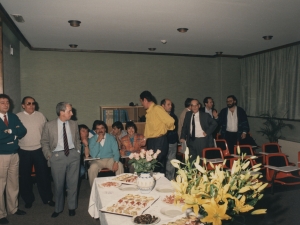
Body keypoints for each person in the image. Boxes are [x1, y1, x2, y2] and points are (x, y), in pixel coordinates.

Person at [41, 102, 81, 218]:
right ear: (62, 112)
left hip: (73, 155)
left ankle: (72, 207)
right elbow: (44, 142)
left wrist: (78, 152)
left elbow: (77, 140)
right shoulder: (49, 125)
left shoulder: (74, 124)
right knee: (59, 185)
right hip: (57, 157)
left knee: (73, 184)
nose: (72, 113)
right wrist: (49, 155)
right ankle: (58, 208)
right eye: (69, 111)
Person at [17, 96, 54, 209]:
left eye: (33, 103)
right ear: (23, 105)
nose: (31, 105)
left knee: (43, 176)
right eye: (28, 103)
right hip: (23, 150)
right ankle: (28, 199)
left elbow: (46, 132)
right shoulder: (17, 117)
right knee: (25, 177)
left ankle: (47, 198)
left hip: (39, 149)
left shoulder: (40, 115)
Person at [0, 94, 27, 224]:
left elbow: (22, 131)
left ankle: (13, 208)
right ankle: (1, 214)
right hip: (1, 156)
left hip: (14, 155)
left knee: (13, 183)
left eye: (7, 102)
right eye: (2, 102)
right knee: (0, 185)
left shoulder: (13, 117)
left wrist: (9, 132)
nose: (6, 104)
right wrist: (13, 134)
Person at [139, 91, 175, 173]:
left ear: (144, 100)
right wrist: (145, 139)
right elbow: (149, 128)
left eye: (141, 101)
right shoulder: (149, 112)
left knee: (159, 167)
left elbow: (171, 121)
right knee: (153, 167)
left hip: (160, 141)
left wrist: (163, 130)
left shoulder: (157, 109)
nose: (141, 104)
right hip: (152, 141)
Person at [88, 120, 124, 187]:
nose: (100, 130)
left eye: (102, 128)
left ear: (105, 129)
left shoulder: (111, 138)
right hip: (97, 160)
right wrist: (98, 141)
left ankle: (120, 186)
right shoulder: (92, 139)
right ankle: (93, 189)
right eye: (98, 129)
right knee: (92, 168)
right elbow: (93, 155)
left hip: (110, 159)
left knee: (120, 165)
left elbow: (116, 151)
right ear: (95, 130)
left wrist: (116, 162)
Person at [161, 98, 178, 180]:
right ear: (162, 106)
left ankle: (170, 180)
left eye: (171, 104)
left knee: (171, 163)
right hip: (161, 143)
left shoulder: (173, 117)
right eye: (168, 104)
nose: (170, 106)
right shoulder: (159, 117)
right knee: (162, 164)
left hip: (171, 143)